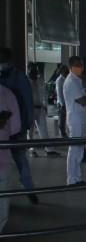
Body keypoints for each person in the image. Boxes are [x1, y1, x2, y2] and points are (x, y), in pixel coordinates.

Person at [0, 47, 37, 204]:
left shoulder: (20, 78)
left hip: (16, 126)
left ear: (10, 60)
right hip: (3, 129)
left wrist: (27, 123)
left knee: (20, 158)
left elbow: (27, 102)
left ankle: (29, 188)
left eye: (3, 60)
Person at [0, 84, 21, 242]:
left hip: (3, 164)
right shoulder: (6, 94)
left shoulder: (7, 94)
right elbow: (14, 128)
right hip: (2, 163)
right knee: (1, 212)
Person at [63, 56, 86, 186]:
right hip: (75, 120)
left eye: (81, 65)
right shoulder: (71, 82)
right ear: (71, 67)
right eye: (77, 65)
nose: (80, 67)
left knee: (79, 150)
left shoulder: (77, 80)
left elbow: (84, 99)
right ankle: (72, 179)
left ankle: (77, 178)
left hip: (80, 118)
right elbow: (82, 101)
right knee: (74, 150)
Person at [27, 62, 57, 156]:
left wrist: (45, 106)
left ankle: (48, 149)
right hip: (30, 109)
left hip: (40, 108)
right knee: (30, 131)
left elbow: (44, 94)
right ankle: (32, 149)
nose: (34, 72)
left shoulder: (40, 81)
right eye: (32, 69)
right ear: (28, 70)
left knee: (43, 129)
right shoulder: (26, 81)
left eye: (35, 70)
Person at [55, 64, 69, 139]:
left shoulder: (66, 79)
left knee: (66, 119)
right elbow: (59, 93)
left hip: (66, 102)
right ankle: (63, 135)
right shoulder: (59, 80)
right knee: (62, 120)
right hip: (62, 103)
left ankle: (65, 134)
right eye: (65, 70)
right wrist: (62, 104)